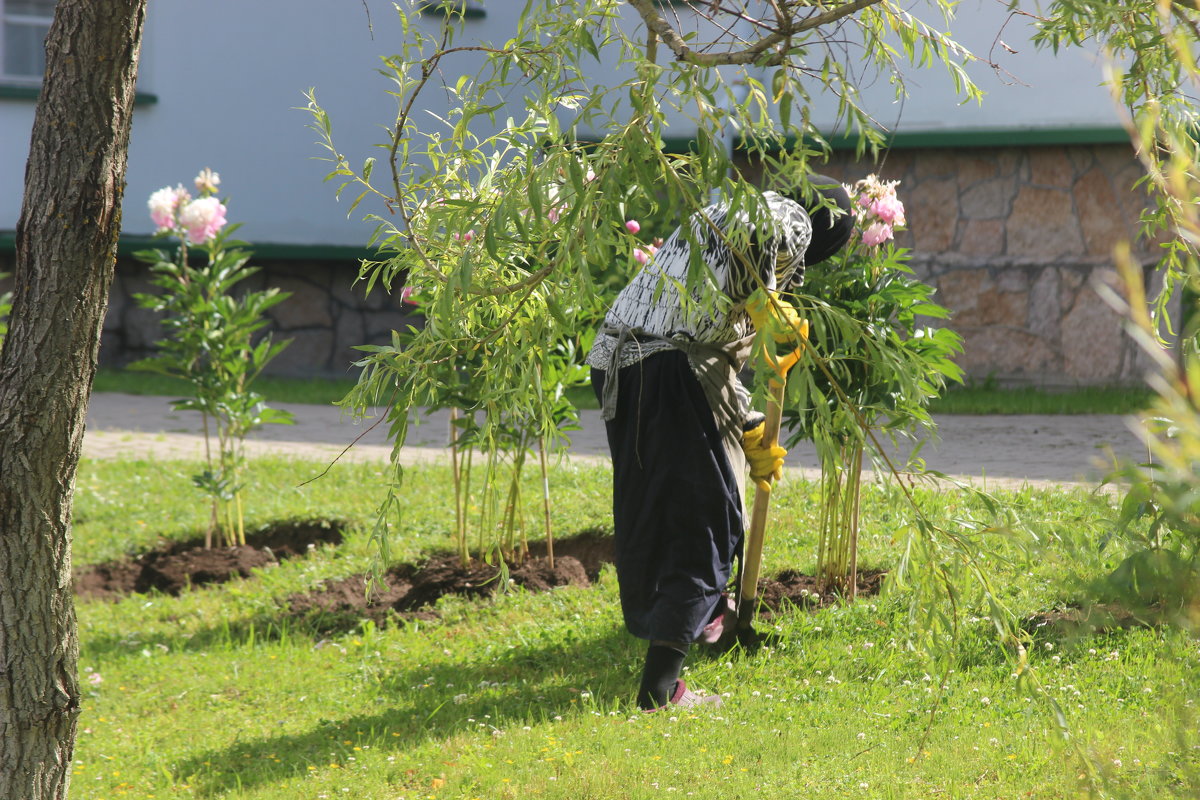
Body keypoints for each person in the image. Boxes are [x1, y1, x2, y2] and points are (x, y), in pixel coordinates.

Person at [587, 174, 855, 711]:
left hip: (616, 360)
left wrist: (751, 425)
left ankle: (706, 616)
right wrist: (769, 295)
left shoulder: (720, 209)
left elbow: (707, 340)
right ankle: (661, 691)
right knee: (703, 522)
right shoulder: (789, 219)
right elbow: (776, 229)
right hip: (669, 369)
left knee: (661, 510)